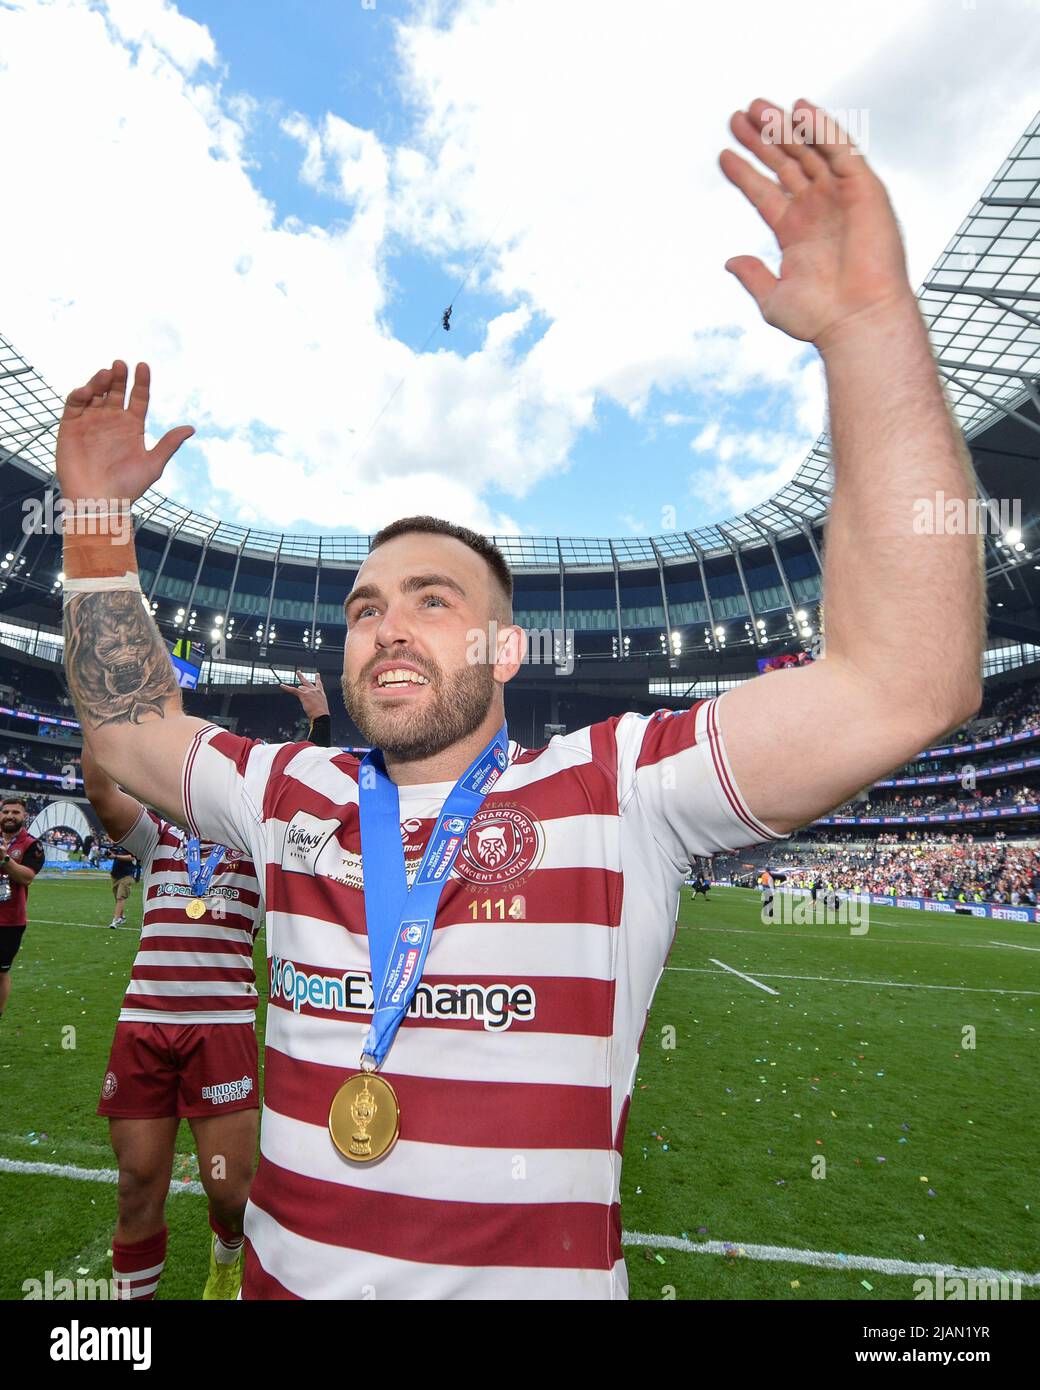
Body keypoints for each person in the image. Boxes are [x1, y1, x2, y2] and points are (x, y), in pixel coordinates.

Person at [57, 99, 982, 1299]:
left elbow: (907, 679)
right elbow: (127, 727)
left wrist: (866, 328)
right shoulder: (293, 791)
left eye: (432, 600)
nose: (386, 624)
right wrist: (90, 523)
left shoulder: (617, 791)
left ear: (505, 648)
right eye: (364, 607)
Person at [82, 676, 331, 1301]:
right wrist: (101, 705)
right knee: (138, 1184)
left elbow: (310, 799)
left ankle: (226, 1251)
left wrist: (320, 721)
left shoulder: (256, 844)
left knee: (231, 1193)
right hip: (144, 1026)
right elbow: (101, 788)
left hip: (220, 1030)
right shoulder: (157, 837)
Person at [0, 796, 45, 1020]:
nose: (9, 816)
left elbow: (26, 877)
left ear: (24, 816)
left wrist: (5, 859)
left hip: (9, 921)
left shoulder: (31, 844)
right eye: (6, 811)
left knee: (1, 972)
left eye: (15, 812)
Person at [108, 839, 137, 928]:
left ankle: (115, 921)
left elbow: (131, 857)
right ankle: (121, 916)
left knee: (121, 897)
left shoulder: (132, 845)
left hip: (127, 874)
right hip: (116, 874)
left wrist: (115, 856)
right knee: (117, 897)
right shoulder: (118, 845)